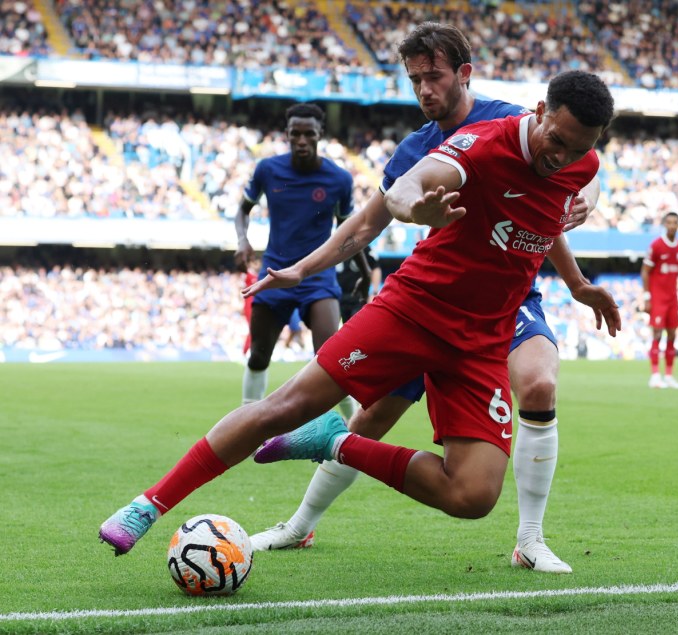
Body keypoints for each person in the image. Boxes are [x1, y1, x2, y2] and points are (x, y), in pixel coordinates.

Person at [98, 70, 620, 567]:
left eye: (579, 147)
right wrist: (423, 211)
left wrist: (577, 285)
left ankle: (334, 442)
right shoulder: (483, 143)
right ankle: (149, 504)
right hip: (414, 312)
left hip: (482, 340)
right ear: (539, 112)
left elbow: (544, 217)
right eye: (558, 140)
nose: (564, 156)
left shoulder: (581, 163)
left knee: (473, 495)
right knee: (285, 406)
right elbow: (401, 192)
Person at [245, 23, 602, 573]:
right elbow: (365, 225)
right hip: (433, 303)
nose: (424, 90)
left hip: (508, 299)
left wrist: (587, 202)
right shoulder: (415, 149)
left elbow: (576, 165)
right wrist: (301, 268)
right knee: (369, 421)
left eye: (433, 77)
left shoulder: (515, 121)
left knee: (539, 382)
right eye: (415, 80)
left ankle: (530, 539)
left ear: (463, 73)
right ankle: (300, 524)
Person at [234, 102, 354, 413]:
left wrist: (364, 270)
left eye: (308, 134)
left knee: (330, 360)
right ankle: (247, 422)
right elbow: (243, 210)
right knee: (259, 355)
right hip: (275, 274)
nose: (301, 140)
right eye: (295, 134)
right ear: (287, 135)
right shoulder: (268, 170)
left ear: (320, 134)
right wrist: (243, 239)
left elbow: (349, 230)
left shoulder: (339, 179)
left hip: (318, 276)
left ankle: (356, 430)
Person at [641, 211, 678, 389]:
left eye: (675, 223)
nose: (672, 225)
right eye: (669, 222)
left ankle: (670, 375)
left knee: (672, 335)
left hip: (673, 298)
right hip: (658, 298)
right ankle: (655, 375)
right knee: (657, 333)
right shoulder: (656, 245)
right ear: (664, 224)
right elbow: (645, 271)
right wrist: (647, 296)